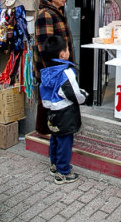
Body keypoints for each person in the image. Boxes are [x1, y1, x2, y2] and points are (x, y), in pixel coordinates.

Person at [39, 35, 88, 184]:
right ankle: (63, 172)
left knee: (55, 137)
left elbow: (45, 93)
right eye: (67, 49)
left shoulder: (47, 70)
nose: (68, 51)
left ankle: (54, 164)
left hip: (51, 111)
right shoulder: (66, 72)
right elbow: (74, 93)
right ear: (62, 54)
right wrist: (84, 97)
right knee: (65, 142)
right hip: (65, 113)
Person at [34, 0, 74, 136]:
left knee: (54, 97)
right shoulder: (46, 14)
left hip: (59, 64)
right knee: (46, 97)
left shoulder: (56, 12)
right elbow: (46, 45)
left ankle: (52, 126)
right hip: (50, 66)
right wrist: (52, 69)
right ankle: (42, 130)